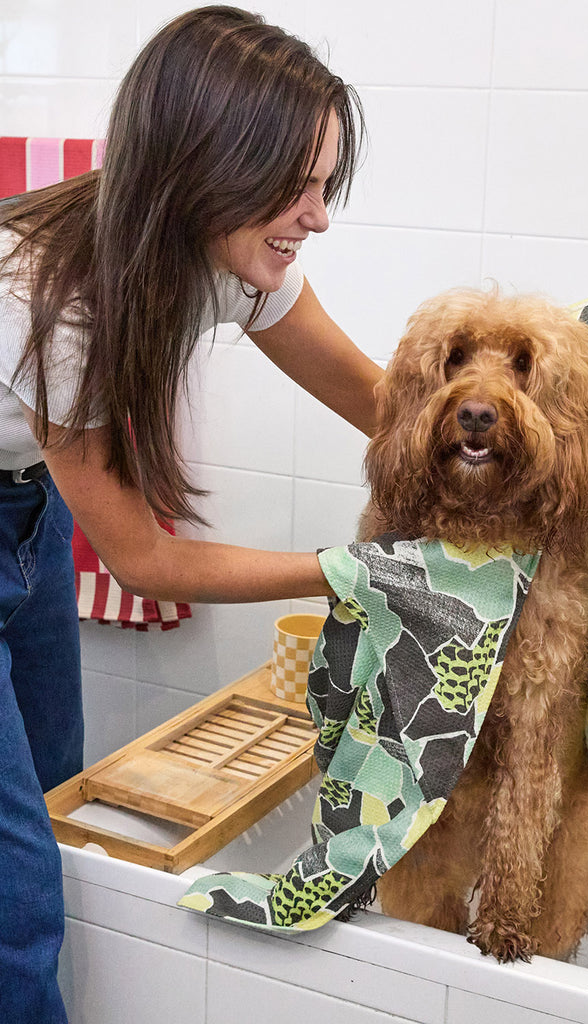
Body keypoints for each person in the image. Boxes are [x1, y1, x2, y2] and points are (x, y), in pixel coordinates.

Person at [0, 7, 382, 1021]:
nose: (317, 217)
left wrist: (518, 450)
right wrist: (359, 570)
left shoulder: (226, 261)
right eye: (295, 186)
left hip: (22, 513)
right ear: (205, 166)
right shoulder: (57, 297)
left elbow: (383, 406)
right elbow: (141, 558)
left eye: (323, 183)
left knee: (52, 795)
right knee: (15, 888)